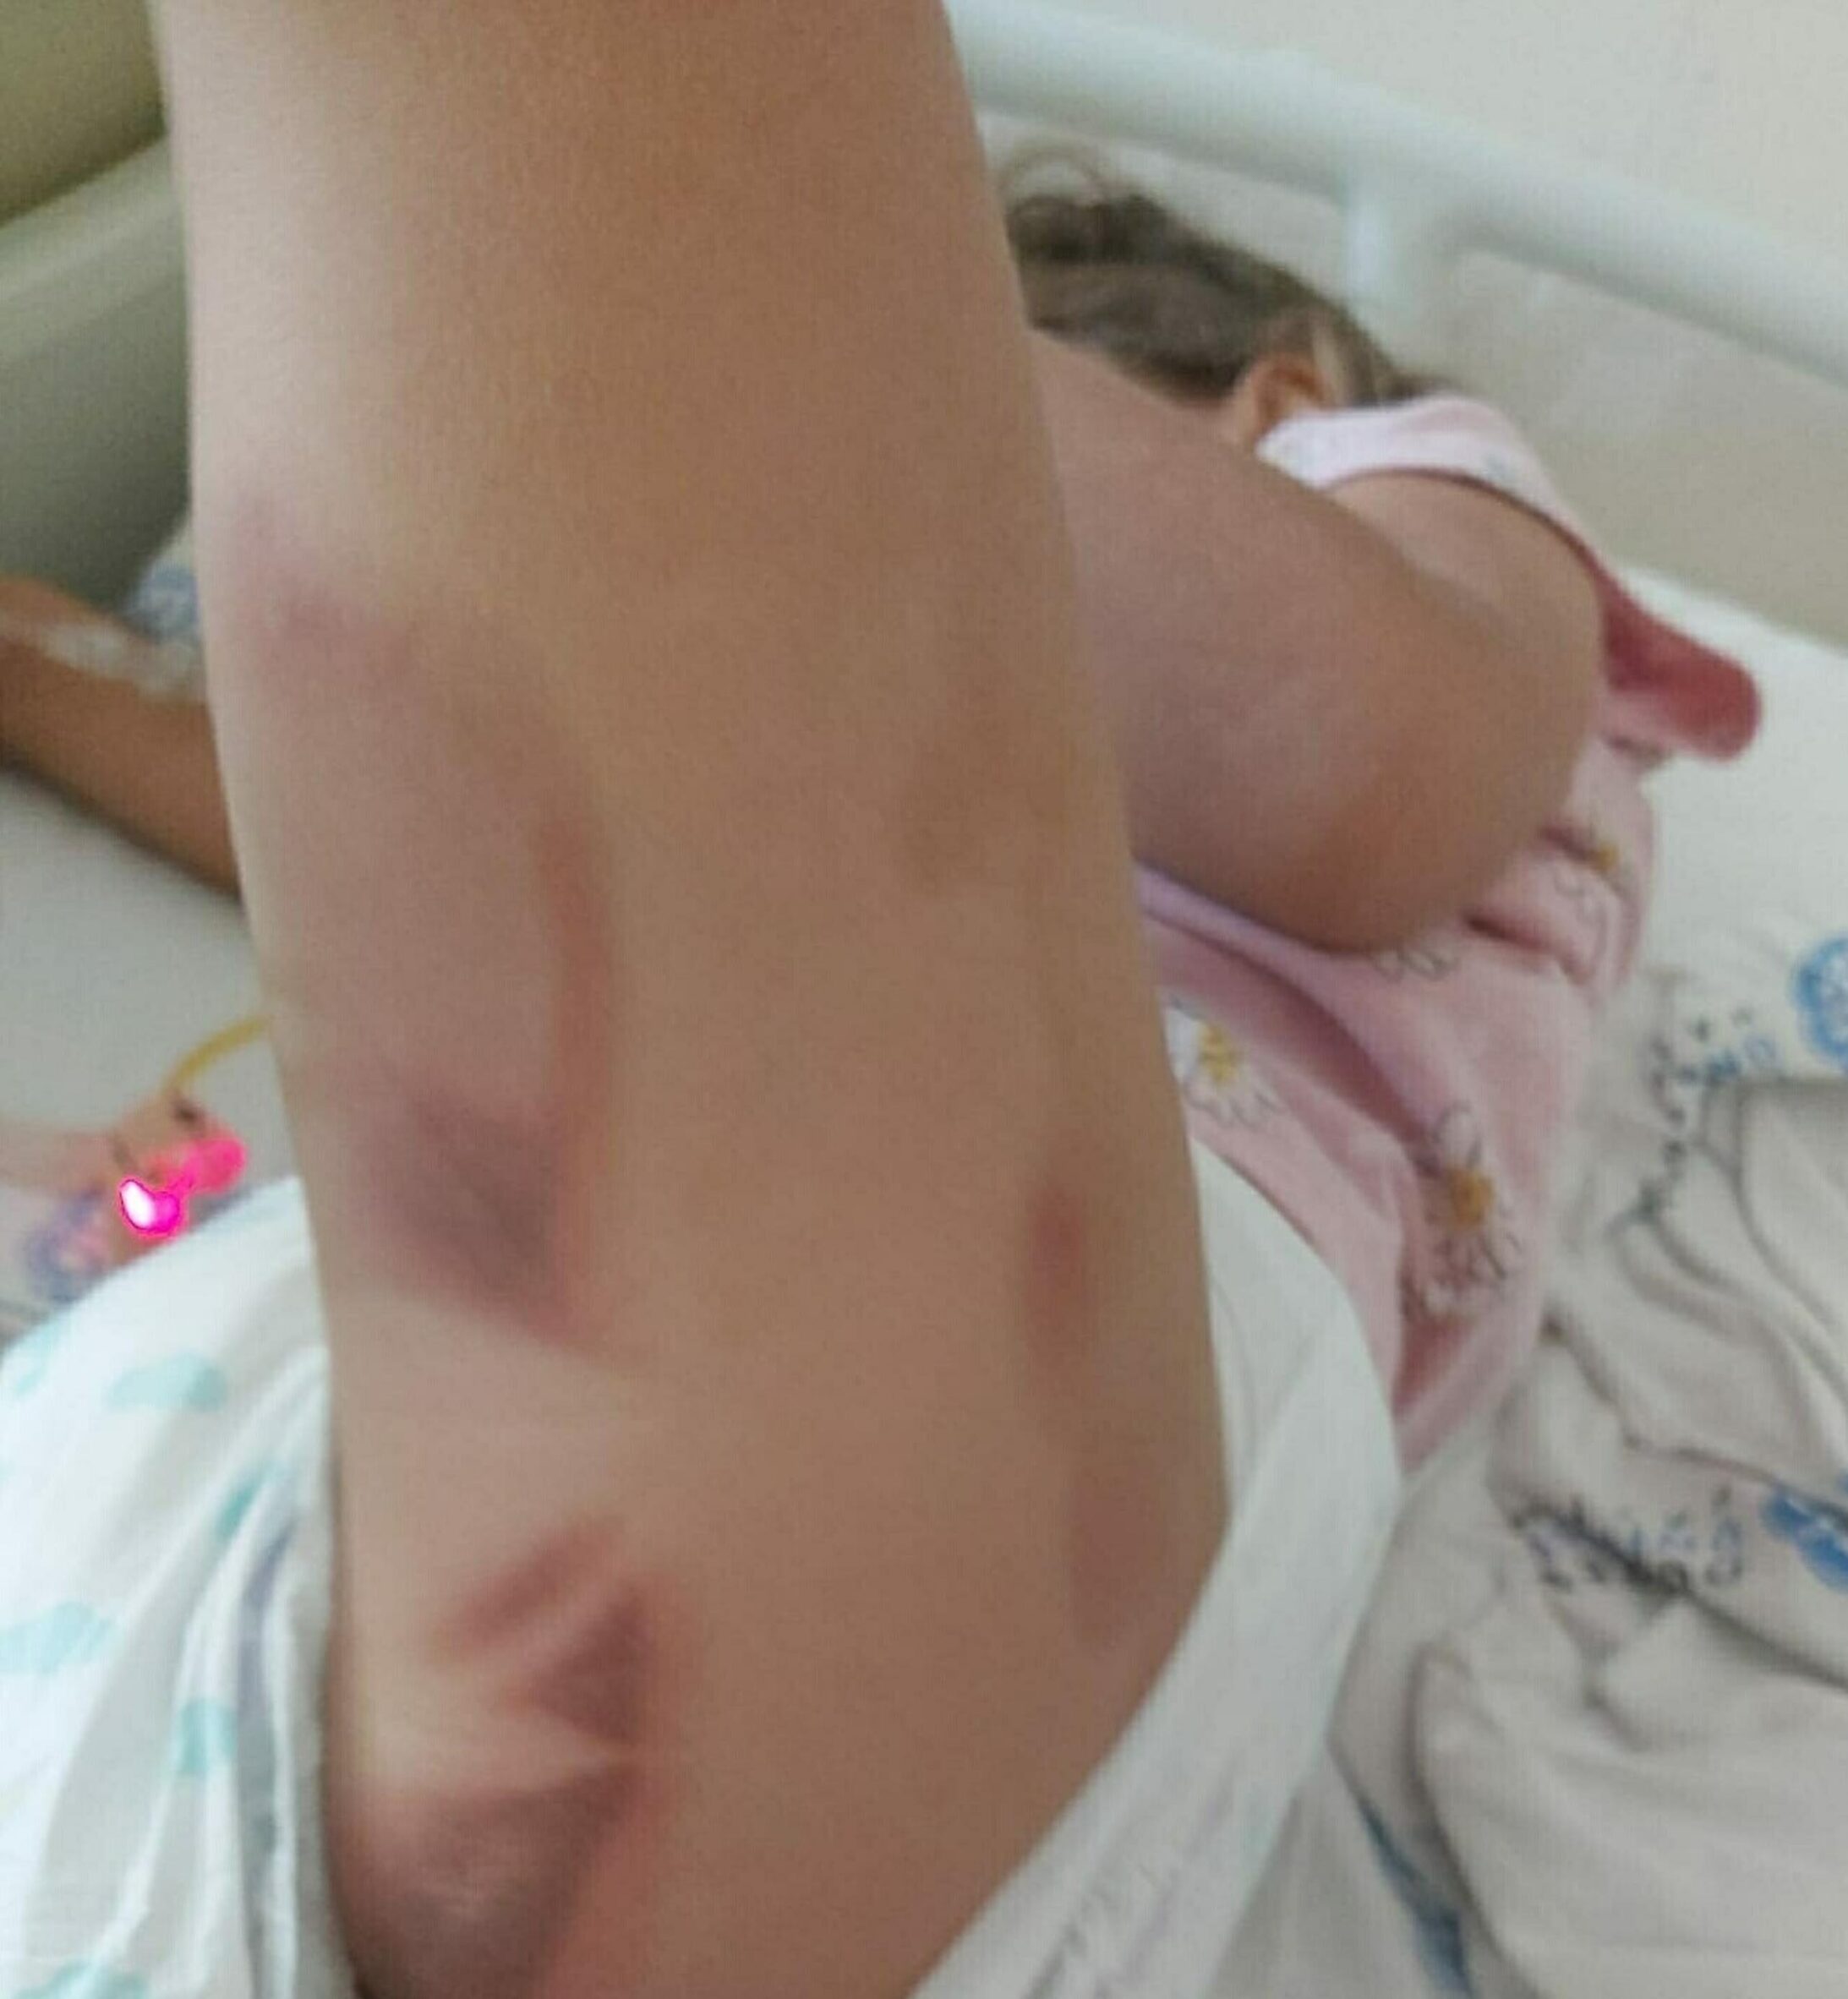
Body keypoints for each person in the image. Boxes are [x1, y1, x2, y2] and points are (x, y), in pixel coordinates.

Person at [0, 9, 1753, 1987]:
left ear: (1282, 406)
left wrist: (802, 352)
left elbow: (1364, 766)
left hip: (1113, 1327)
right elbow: (427, 819)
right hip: (220, 1502)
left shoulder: (1443, 526)